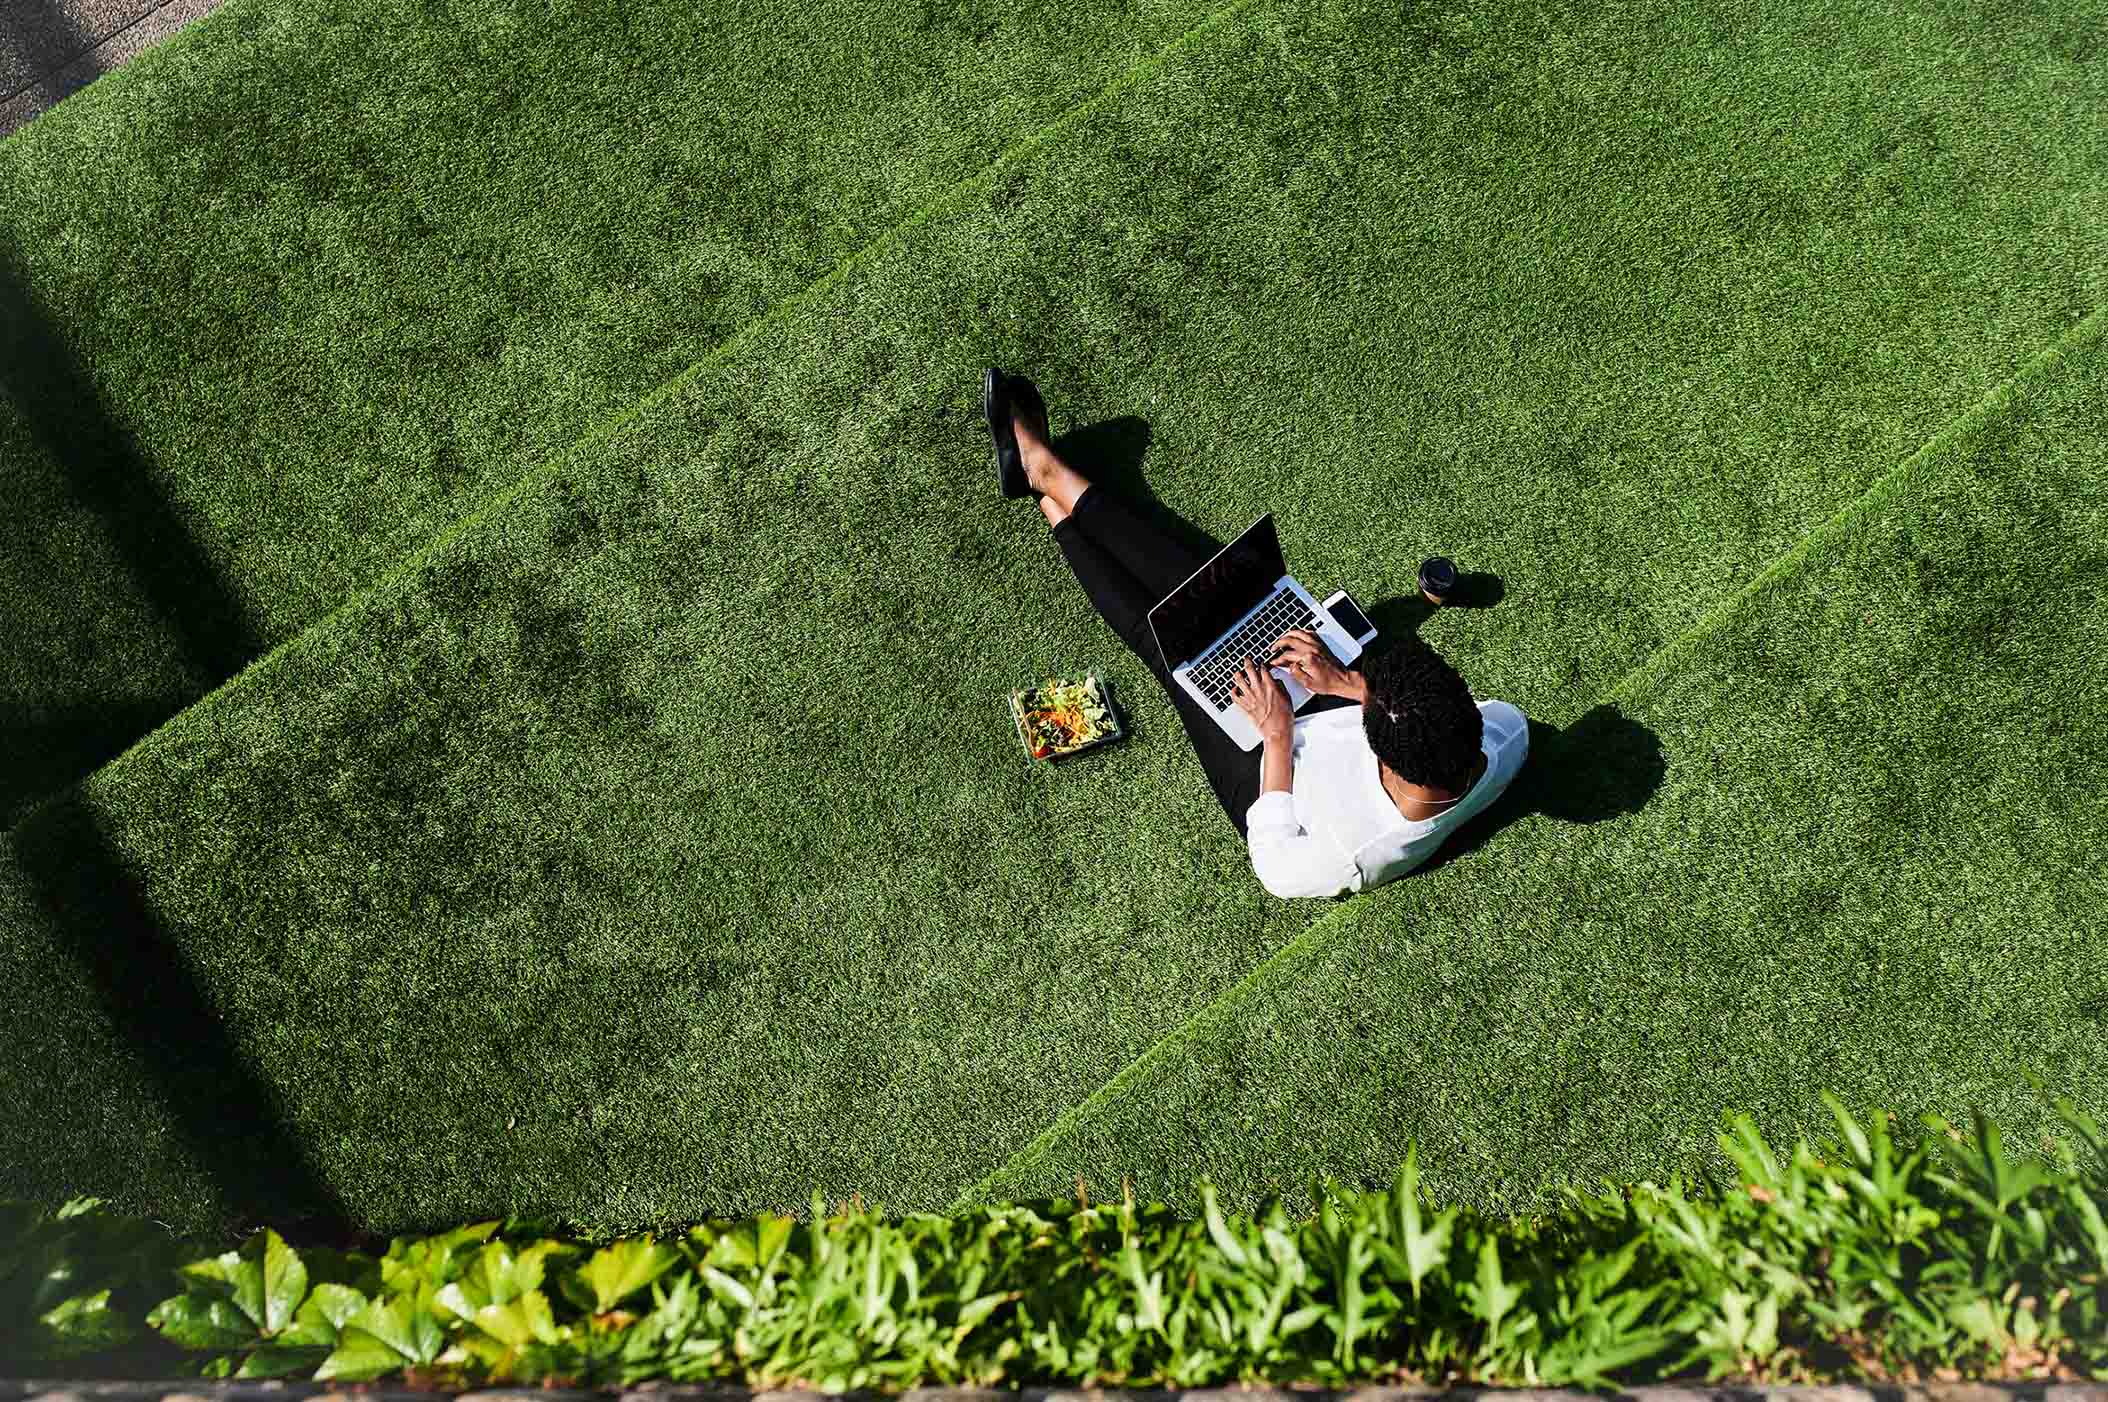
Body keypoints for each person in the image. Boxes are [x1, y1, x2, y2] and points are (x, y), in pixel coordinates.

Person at [987, 367, 1530, 899]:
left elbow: (1271, 859)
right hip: (1343, 725)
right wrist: (1344, 682)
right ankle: (1049, 481)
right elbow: (1464, 716)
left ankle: (1050, 496)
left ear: (1381, 758)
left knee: (1176, 658)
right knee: (1231, 600)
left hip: (1276, 775)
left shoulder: (1348, 853)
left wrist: (1276, 733)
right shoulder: (1502, 737)